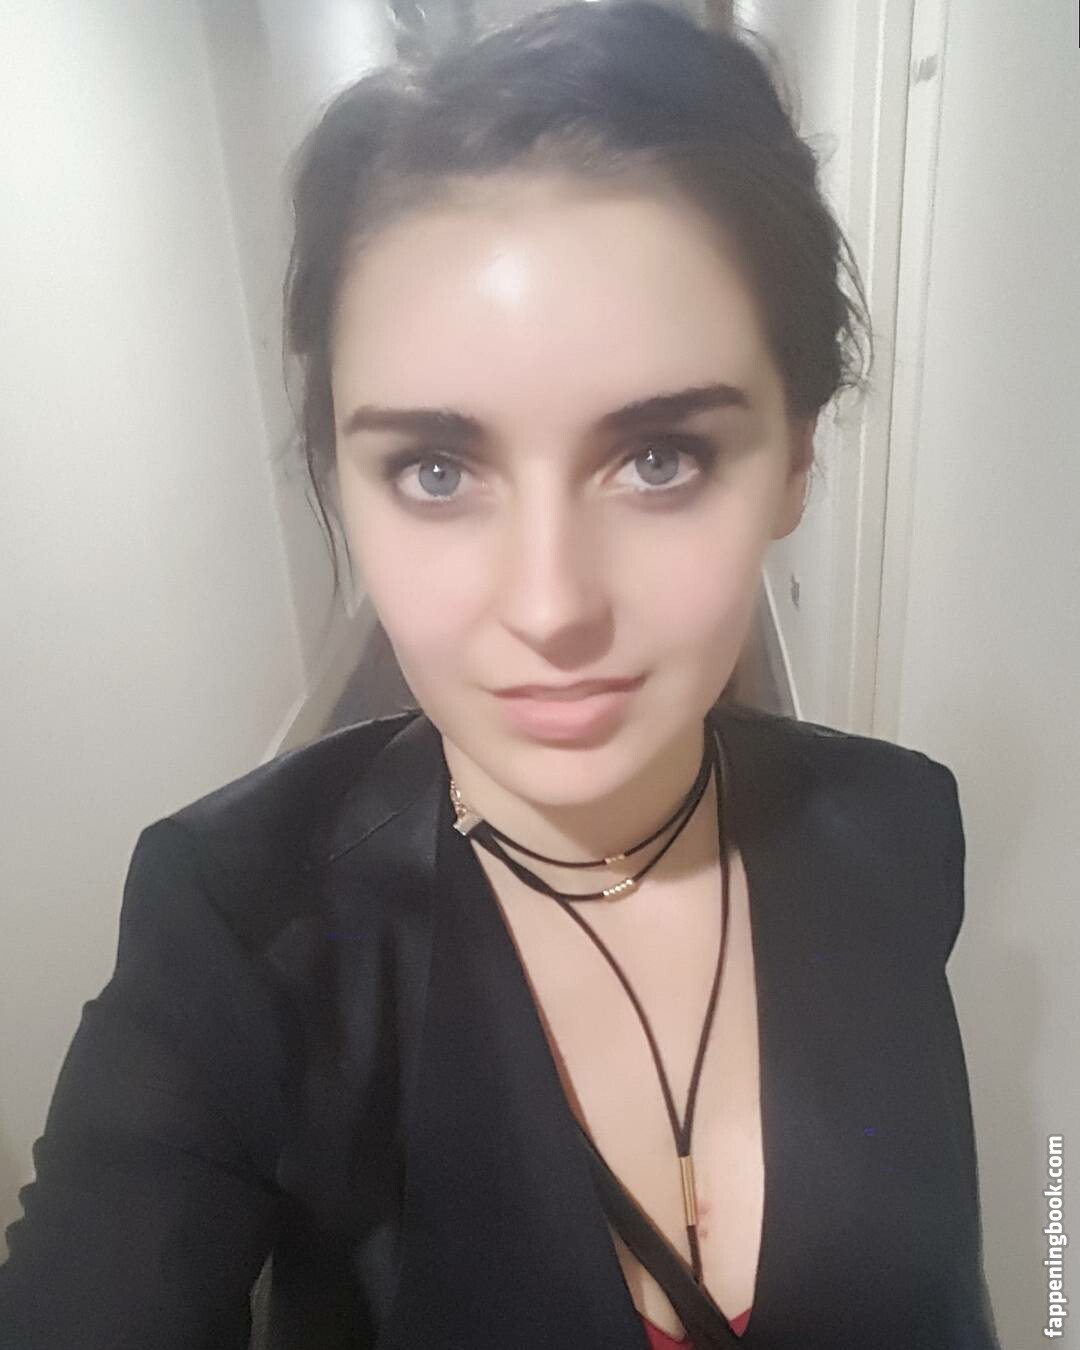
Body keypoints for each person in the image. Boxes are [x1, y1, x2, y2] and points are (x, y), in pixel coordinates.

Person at [0, 3, 1001, 1347]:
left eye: (661, 458)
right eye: (436, 470)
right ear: (342, 486)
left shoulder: (897, 833)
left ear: (796, 464)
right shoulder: (236, 932)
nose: (550, 607)